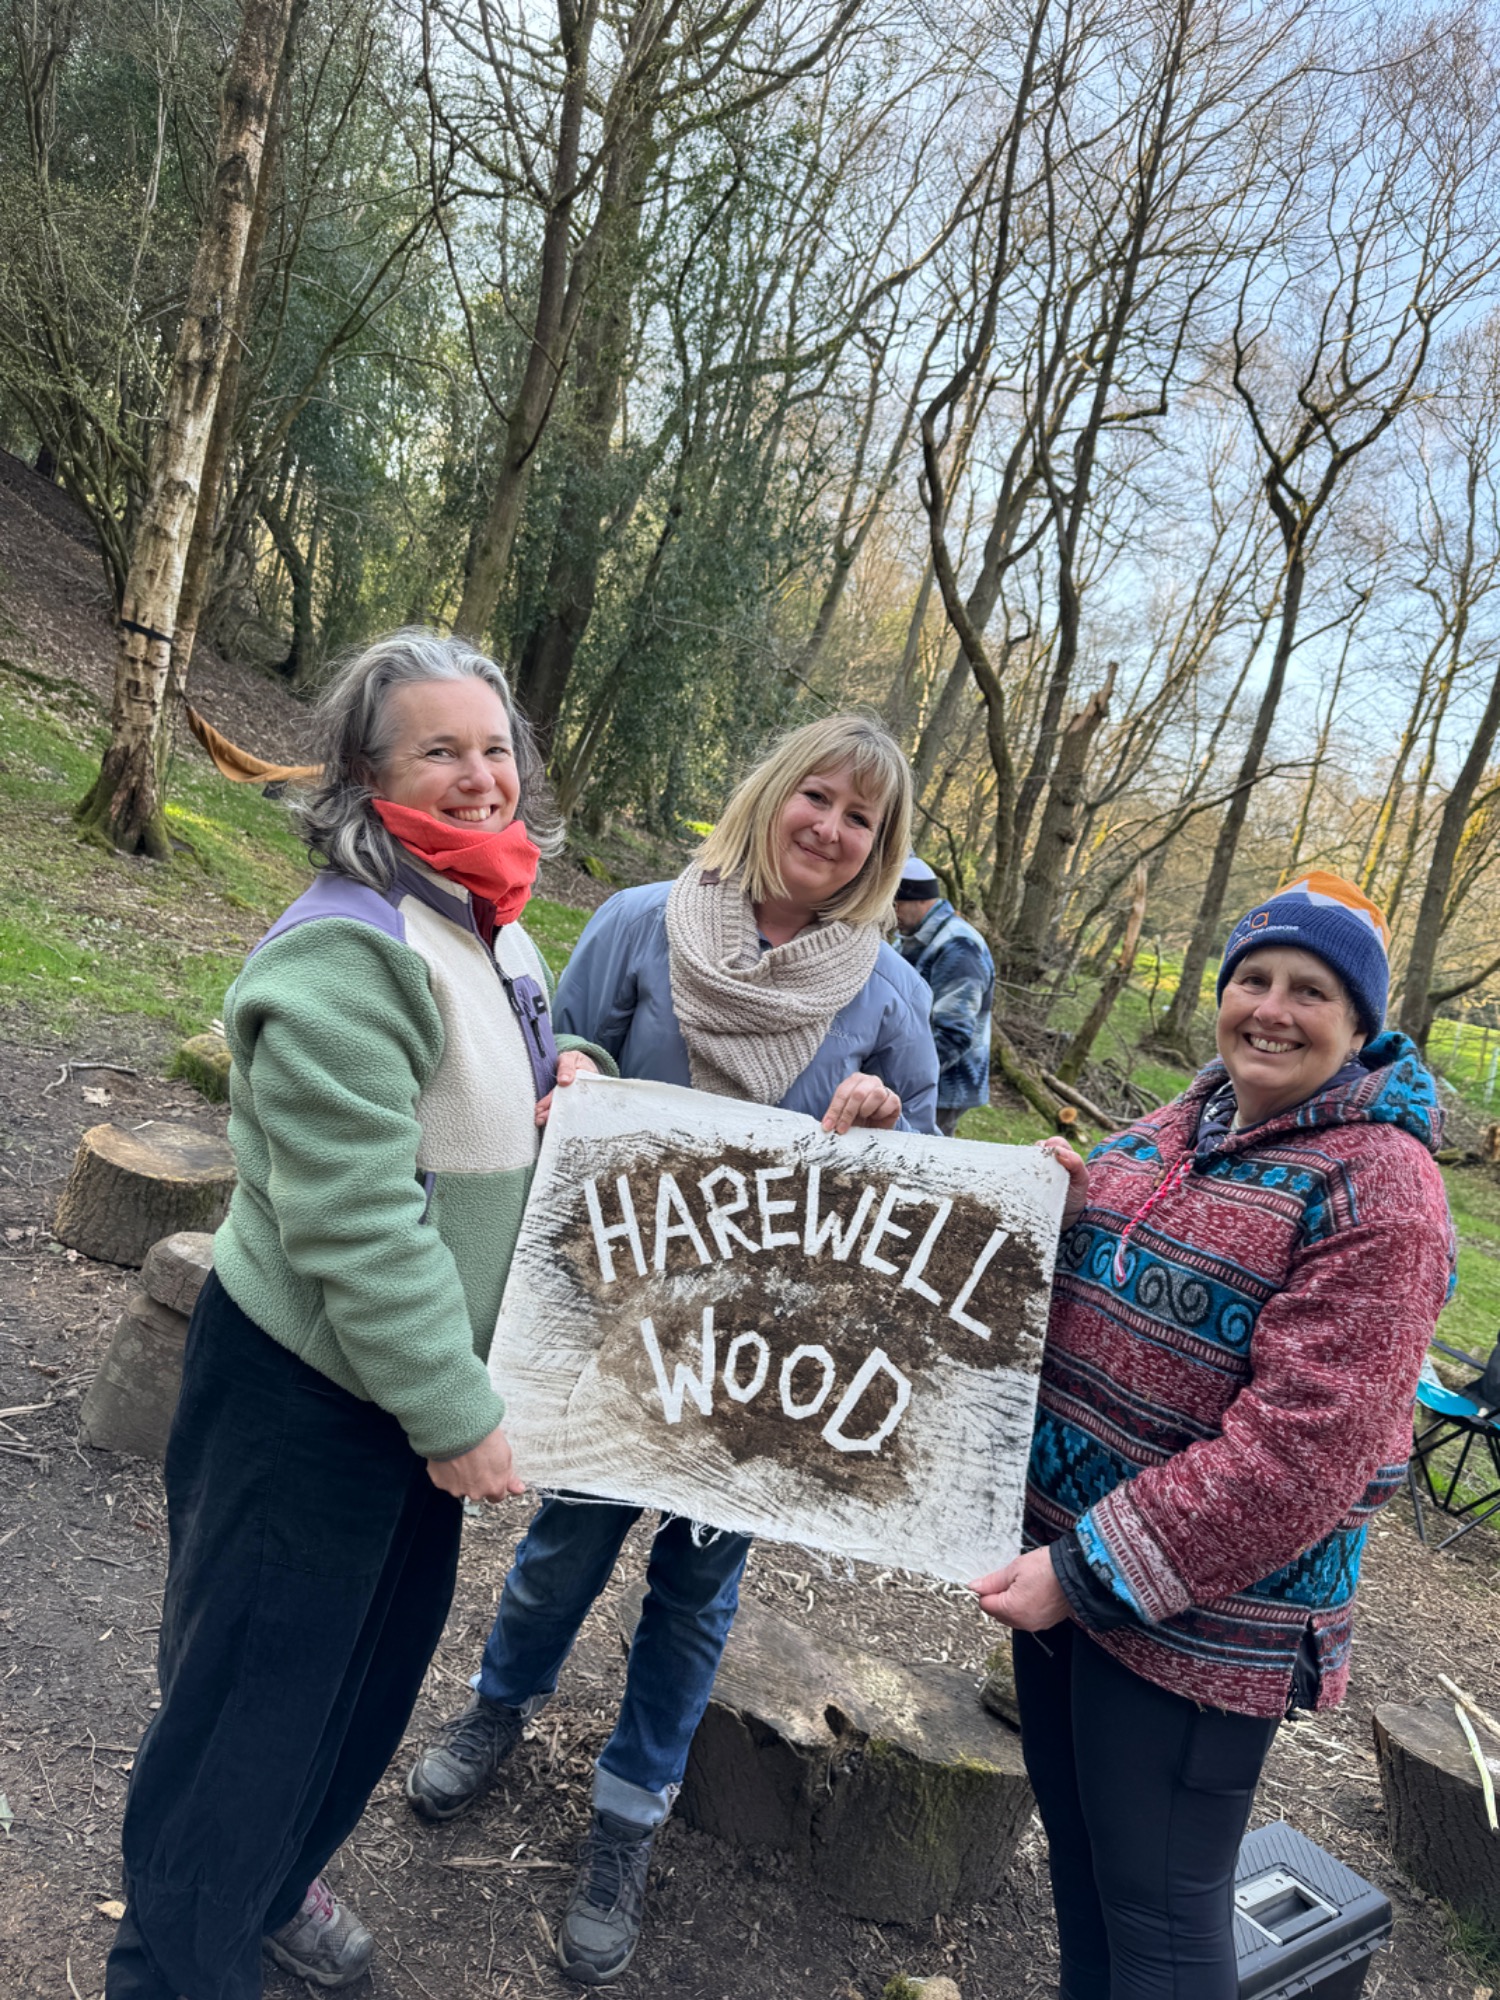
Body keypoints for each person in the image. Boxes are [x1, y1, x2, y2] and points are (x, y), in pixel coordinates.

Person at [105, 632, 612, 2000]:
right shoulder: (348, 946)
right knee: (248, 1722)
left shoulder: (482, 918)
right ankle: (173, 1969)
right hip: (313, 1399)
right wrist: (453, 1409)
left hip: (403, 1399)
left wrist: (573, 1071)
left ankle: (269, 1898)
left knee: (360, 1691)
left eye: (494, 747)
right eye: (440, 750)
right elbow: (356, 1218)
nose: (479, 775)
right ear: (365, 772)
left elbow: (490, 1080)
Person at [406, 713, 940, 1986]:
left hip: (765, 1357)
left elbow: (928, 1171)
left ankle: (627, 1816)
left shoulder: (893, 994)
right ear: (774, 791)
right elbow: (556, 1046)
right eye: (817, 796)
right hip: (615, 1316)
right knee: (563, 1546)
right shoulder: (642, 920)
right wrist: (580, 1069)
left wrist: (887, 1122)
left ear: (881, 846)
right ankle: (495, 1711)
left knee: (698, 1590)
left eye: (861, 817)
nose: (831, 828)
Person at [969, 872, 1454, 2000]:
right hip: (1063, 1575)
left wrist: (1084, 1571)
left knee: (1162, 1924)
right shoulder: (1183, 1121)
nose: (1271, 1009)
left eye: (1310, 991)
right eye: (1253, 979)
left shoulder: (1383, 1189)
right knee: (1083, 1871)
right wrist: (1058, 1212)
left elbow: (1302, 1456)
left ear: (1360, 1026)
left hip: (1205, 1624)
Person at [893, 855, 995, 1135]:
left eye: (896, 904)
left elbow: (953, 1034)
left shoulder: (958, 947)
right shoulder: (910, 939)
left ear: (920, 900)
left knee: (919, 1156)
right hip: (914, 1077)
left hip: (943, 1085)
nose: (891, 913)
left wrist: (900, 1080)